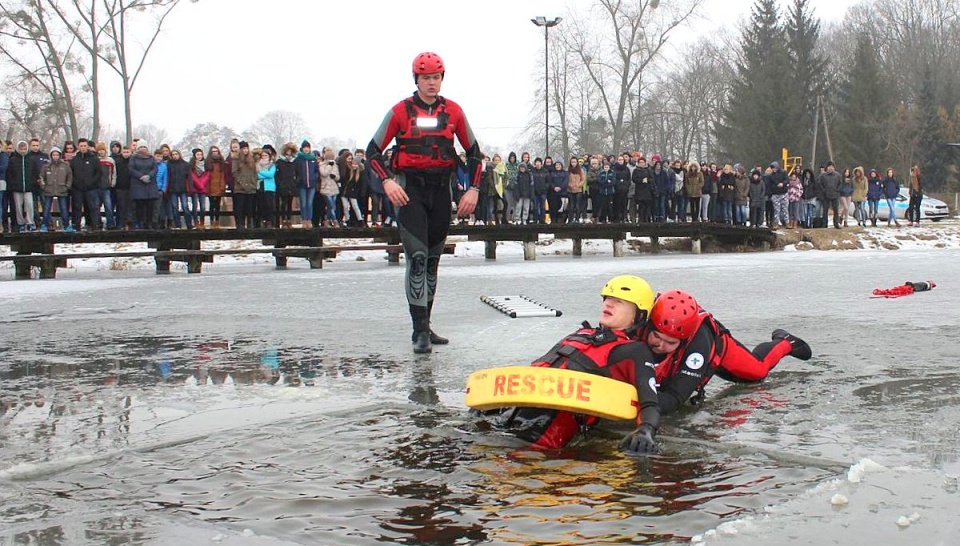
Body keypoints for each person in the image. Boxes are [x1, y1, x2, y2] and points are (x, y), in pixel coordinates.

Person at [365, 51, 482, 354]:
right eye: (426, 78)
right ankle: (419, 331)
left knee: (432, 261)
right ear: (416, 79)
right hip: (410, 192)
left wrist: (473, 189)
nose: (431, 83)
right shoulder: (401, 111)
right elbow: (372, 150)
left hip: (441, 193)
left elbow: (474, 153)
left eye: (436, 77)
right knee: (416, 258)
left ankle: (426, 325)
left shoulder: (453, 111)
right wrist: (388, 180)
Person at [488, 275, 662, 453]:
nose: (608, 304)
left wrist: (646, 430)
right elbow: (536, 371)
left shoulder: (635, 351)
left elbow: (650, 403)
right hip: (503, 422)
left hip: (538, 445)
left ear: (638, 316)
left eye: (619, 301)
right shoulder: (580, 334)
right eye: (607, 298)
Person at [640, 289, 811, 415]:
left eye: (670, 342)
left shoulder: (698, 346)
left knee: (758, 371)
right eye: (656, 336)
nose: (660, 345)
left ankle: (786, 342)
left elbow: (675, 398)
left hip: (720, 349)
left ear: (684, 340)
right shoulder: (638, 320)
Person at [39, 146, 72, 231]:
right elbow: (41, 177)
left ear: (60, 155)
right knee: (46, 209)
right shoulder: (46, 166)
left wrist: (67, 186)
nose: (55, 156)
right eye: (53, 155)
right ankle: (44, 225)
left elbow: (69, 177)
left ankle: (66, 225)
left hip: (62, 190)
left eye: (57, 155)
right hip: (49, 190)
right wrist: (44, 187)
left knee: (64, 209)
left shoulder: (65, 165)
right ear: (51, 156)